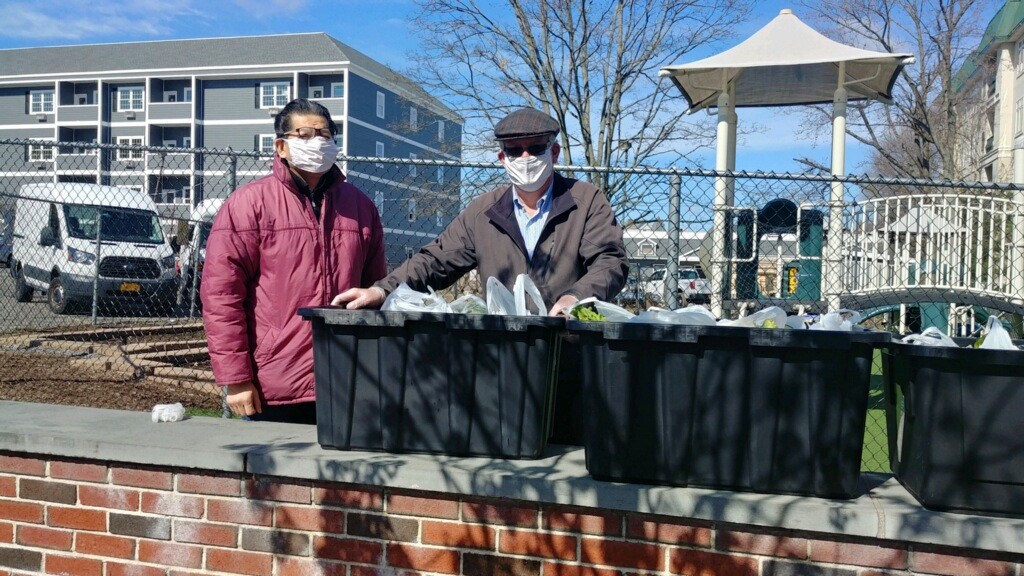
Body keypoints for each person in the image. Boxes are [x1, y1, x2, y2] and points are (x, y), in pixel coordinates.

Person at [333, 106, 628, 443]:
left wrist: (574, 297)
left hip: (571, 360)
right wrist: (382, 290)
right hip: (503, 365)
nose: (526, 157)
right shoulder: (484, 211)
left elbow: (610, 260)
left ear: (555, 152)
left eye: (536, 148)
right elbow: (436, 259)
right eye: (516, 151)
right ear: (502, 157)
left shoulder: (586, 200)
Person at [201, 98, 387, 424]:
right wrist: (236, 378)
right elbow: (221, 297)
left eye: (325, 134)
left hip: (347, 380)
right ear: (281, 147)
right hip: (273, 382)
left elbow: (376, 290)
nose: (317, 142)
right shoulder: (248, 205)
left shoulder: (361, 208)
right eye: (304, 134)